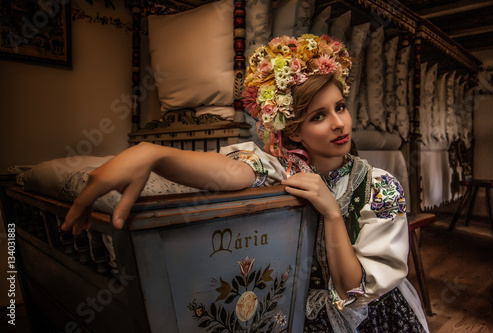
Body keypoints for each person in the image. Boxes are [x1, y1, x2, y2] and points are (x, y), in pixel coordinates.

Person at [63, 34, 429, 332]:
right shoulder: (284, 168)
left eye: (340, 107)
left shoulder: (379, 187)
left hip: (365, 319)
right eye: (319, 115)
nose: (339, 123)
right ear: (293, 130)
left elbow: (355, 291)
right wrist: (153, 154)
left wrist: (332, 214)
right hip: (295, 314)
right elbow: (227, 171)